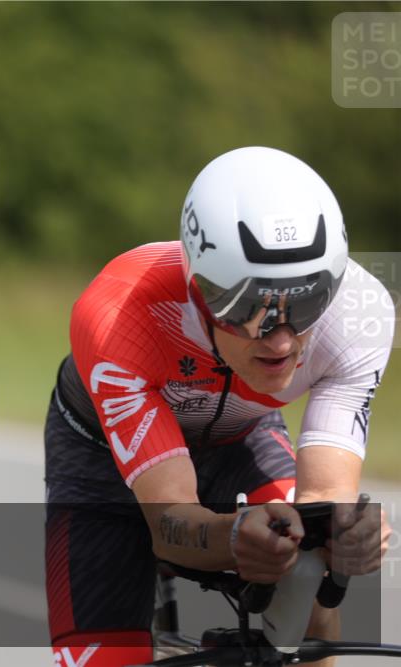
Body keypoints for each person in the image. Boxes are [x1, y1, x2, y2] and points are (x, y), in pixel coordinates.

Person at [44, 147, 393, 667]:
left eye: (305, 303)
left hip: (239, 437)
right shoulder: (121, 314)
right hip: (100, 459)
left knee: (308, 570)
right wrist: (231, 537)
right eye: (246, 307)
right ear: (196, 289)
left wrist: (345, 536)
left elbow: (325, 497)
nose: (279, 341)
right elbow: (170, 526)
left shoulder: (359, 317)